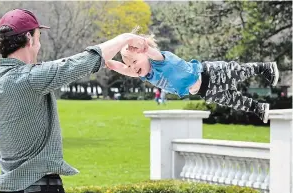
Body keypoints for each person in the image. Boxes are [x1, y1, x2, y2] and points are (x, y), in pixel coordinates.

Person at [0, 9, 148, 193]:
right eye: (38, 37)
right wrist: (125, 38)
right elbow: (78, 64)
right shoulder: (29, 79)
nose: (39, 45)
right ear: (28, 38)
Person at [105, 27, 279, 123]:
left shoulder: (159, 59)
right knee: (232, 100)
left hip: (209, 74)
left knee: (238, 72)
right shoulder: (145, 75)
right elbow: (124, 69)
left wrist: (141, 45)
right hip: (204, 90)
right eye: (130, 65)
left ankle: (264, 67)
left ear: (144, 53)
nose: (133, 68)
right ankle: (258, 107)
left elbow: (150, 52)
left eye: (135, 62)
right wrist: (109, 63)